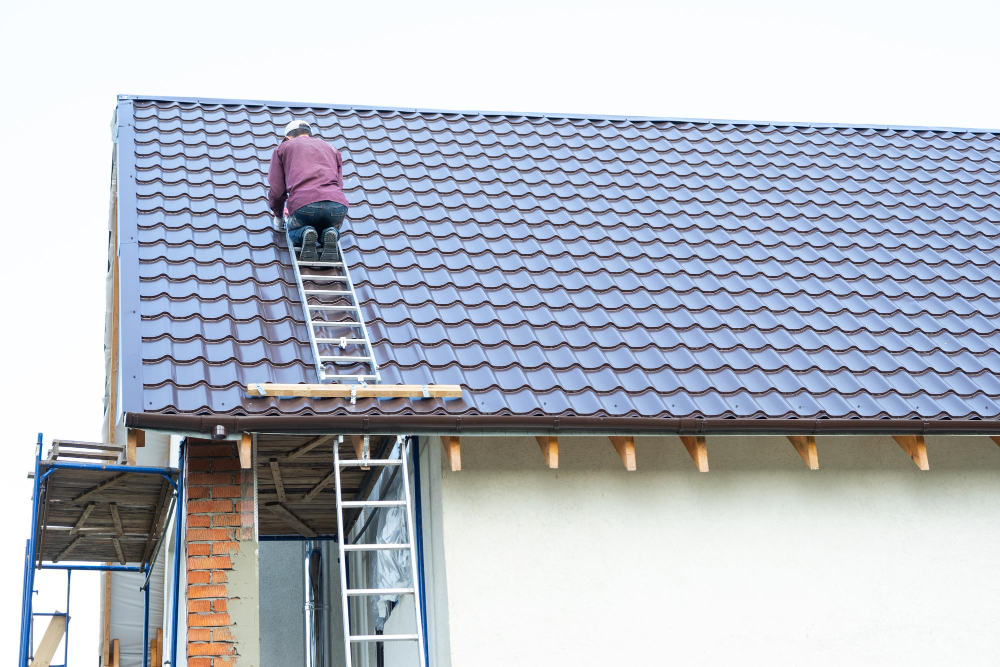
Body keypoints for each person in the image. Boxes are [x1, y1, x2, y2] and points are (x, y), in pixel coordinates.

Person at [267, 120, 349, 262]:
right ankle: (332, 233)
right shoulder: (332, 149)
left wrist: (278, 216)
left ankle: (305, 233)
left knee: (293, 230)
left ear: (288, 138)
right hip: (336, 206)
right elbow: (339, 184)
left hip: (304, 205)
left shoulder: (283, 148)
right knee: (327, 228)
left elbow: (277, 189)